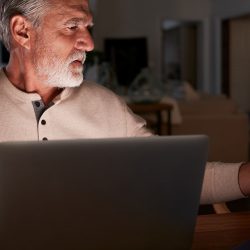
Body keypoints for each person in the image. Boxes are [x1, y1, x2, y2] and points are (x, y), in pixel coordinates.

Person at [0, 0, 249, 204]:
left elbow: (170, 173)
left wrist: (244, 177)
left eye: (88, 27)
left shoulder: (107, 105)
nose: (89, 43)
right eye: (72, 26)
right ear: (22, 30)